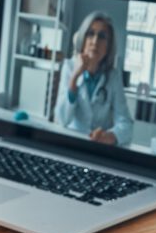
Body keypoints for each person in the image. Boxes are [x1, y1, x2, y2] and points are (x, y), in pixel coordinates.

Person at [53, 11, 133, 146]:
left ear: (108, 47)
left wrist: (111, 136)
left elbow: (126, 123)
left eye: (102, 36)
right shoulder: (69, 67)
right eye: (90, 34)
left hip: (99, 146)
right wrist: (74, 77)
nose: (95, 41)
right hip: (72, 143)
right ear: (83, 39)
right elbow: (62, 119)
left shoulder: (113, 76)